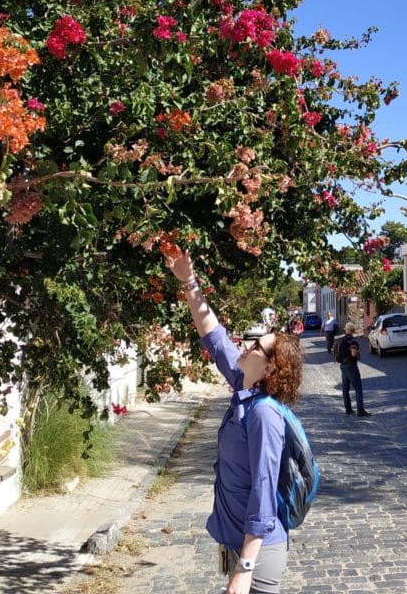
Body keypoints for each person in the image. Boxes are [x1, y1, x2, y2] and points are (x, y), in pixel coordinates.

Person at [167, 249, 302, 594]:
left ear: (271, 368)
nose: (247, 343)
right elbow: (213, 334)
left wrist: (244, 567)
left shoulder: (263, 414)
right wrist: (189, 281)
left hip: (256, 552)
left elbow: (264, 491)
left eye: (257, 345)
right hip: (233, 541)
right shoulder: (243, 386)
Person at [335, 322, 370, 416]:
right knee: (358, 388)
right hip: (351, 365)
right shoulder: (352, 341)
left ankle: (348, 409)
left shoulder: (341, 339)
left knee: (345, 388)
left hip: (342, 365)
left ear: (345, 330)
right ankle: (361, 411)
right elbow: (353, 353)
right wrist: (359, 350)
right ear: (353, 331)